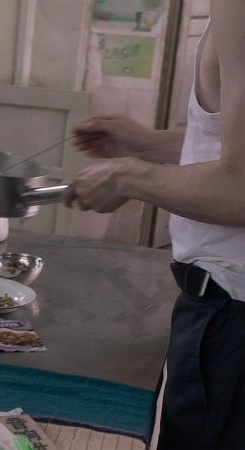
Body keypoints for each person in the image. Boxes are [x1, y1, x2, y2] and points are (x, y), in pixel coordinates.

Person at [62, 3, 245, 448]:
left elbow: (240, 188)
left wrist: (128, 177)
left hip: (232, 323)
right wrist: (147, 145)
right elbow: (230, 149)